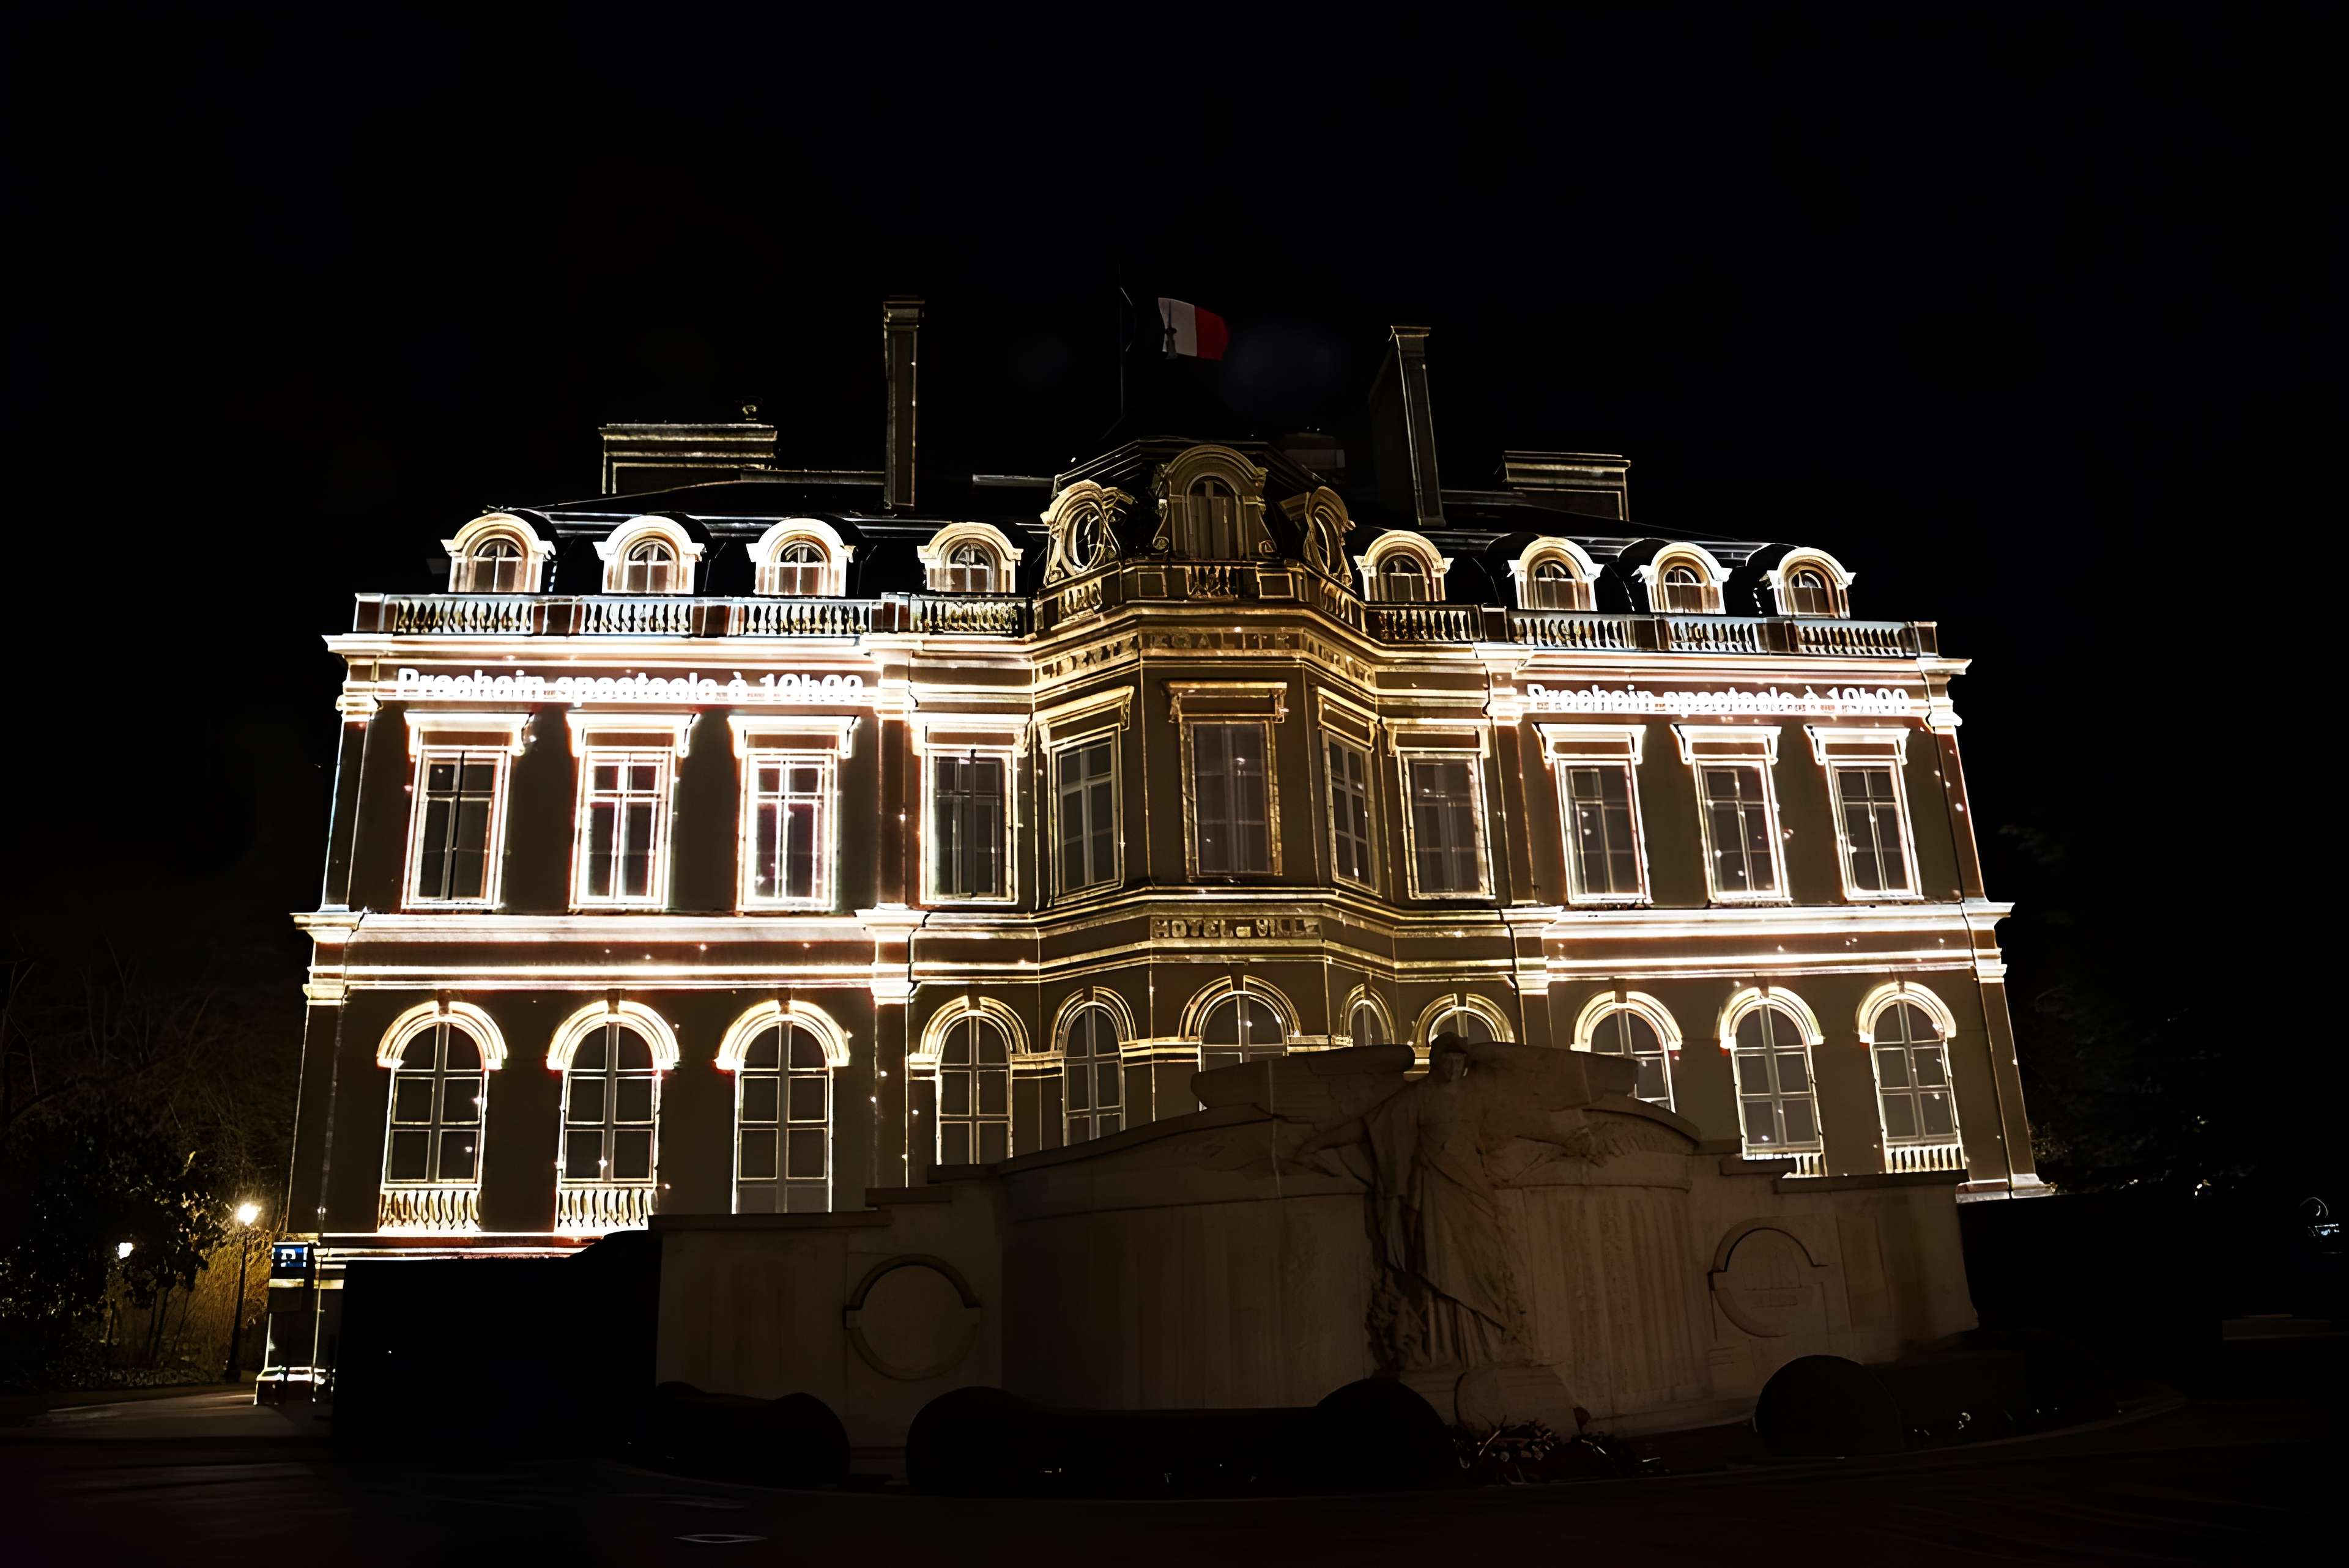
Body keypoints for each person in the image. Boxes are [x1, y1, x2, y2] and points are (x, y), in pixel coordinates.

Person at [1292, 1034, 1608, 1371]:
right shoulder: (1418, 1097)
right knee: (1438, 1262)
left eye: (1460, 1059)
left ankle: (1492, 1337)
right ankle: (1443, 1344)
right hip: (1433, 1191)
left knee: (1485, 1258)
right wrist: (1316, 1144)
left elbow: (1523, 1122)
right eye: (1447, 1058)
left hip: (1474, 1190)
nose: (1454, 1066)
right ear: (1436, 1060)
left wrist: (1567, 1139)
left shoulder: (1476, 1096)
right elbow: (1368, 1127)